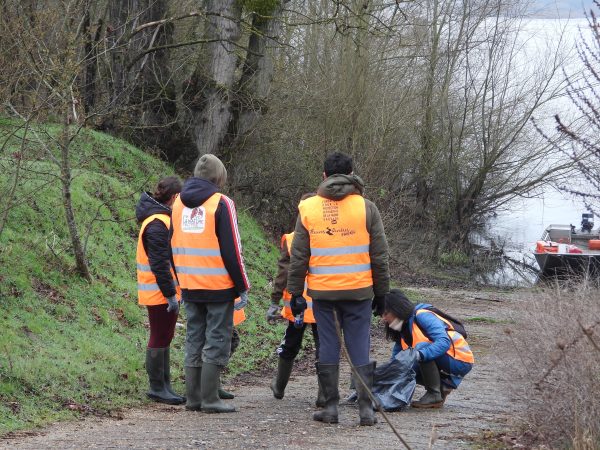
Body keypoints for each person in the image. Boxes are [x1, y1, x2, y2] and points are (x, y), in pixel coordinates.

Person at [286, 151, 390, 426]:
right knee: (359, 347)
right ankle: (366, 410)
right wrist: (382, 293)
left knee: (329, 347)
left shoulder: (308, 208)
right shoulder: (367, 207)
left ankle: (331, 408)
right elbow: (379, 255)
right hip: (359, 292)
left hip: (323, 294)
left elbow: (298, 256)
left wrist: (296, 293)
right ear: (351, 173)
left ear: (323, 176)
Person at [170, 154, 250, 414]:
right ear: (219, 177)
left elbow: (171, 246)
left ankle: (193, 399)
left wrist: (180, 281)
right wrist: (242, 285)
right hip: (218, 286)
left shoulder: (178, 203)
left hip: (190, 285)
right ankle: (211, 400)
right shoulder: (222, 203)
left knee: (194, 338)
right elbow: (232, 250)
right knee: (217, 338)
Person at [135, 176, 185, 405]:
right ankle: (157, 387)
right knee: (159, 335)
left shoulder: (158, 220)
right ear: (174, 198)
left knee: (165, 335)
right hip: (158, 292)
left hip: (160, 291)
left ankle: (164, 385)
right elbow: (159, 263)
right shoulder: (157, 223)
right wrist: (169, 295)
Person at [382, 289, 474, 408]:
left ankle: (434, 394)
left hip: (460, 360)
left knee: (420, 349)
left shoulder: (422, 315)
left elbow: (444, 342)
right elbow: (396, 361)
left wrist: (419, 355)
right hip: (445, 359)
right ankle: (441, 387)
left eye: (385, 314)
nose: (383, 319)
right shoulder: (402, 329)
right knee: (402, 365)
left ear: (396, 310)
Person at [266, 225, 323, 407]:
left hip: (297, 305)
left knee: (290, 344)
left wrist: (275, 300)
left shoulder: (291, 239)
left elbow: (283, 274)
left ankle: (279, 386)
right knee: (324, 348)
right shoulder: (328, 236)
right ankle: (324, 395)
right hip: (324, 304)